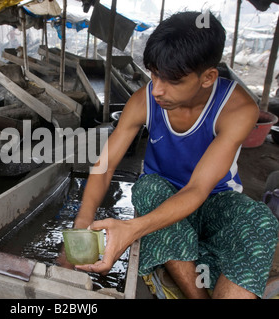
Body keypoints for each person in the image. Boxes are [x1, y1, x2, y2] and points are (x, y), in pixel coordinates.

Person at [72, 11, 279, 299]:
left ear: (208, 77)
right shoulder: (143, 100)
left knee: (260, 219)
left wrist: (132, 229)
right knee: (149, 188)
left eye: (172, 80)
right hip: (161, 198)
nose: (156, 89)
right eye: (154, 74)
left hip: (213, 200)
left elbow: (197, 189)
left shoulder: (237, 109)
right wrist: (83, 220)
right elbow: (104, 165)